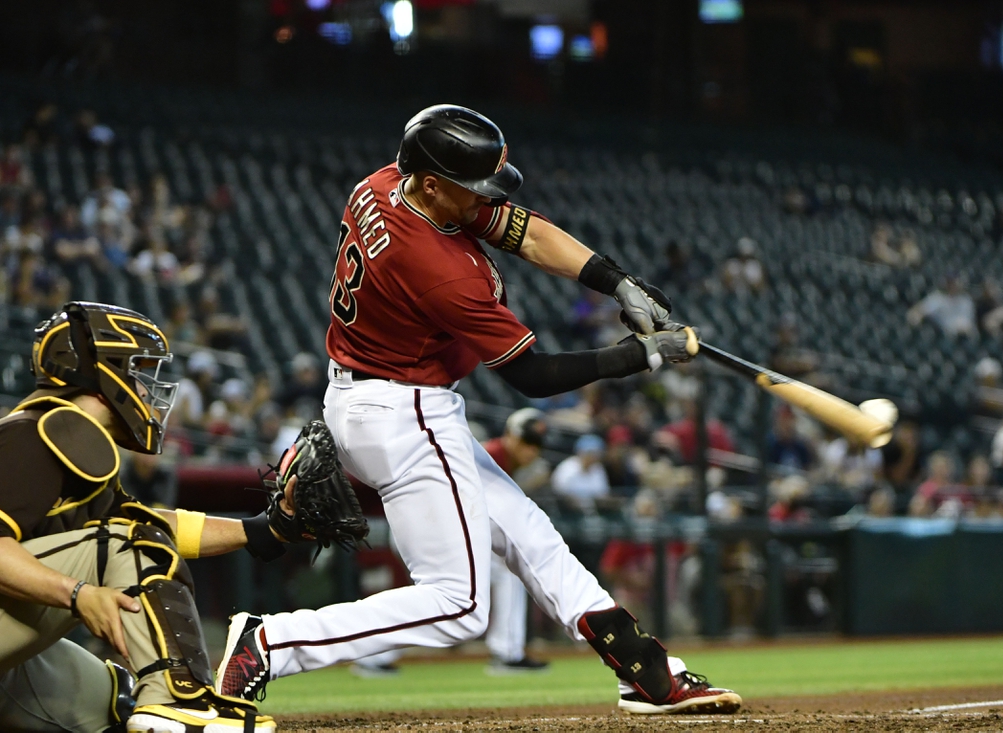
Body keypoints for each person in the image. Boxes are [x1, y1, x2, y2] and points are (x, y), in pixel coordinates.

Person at [215, 104, 740, 715]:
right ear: (434, 183)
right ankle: (271, 643)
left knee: (530, 536)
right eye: (472, 189)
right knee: (458, 604)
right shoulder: (436, 269)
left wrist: (615, 282)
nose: (483, 201)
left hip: (377, 397)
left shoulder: (387, 182)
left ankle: (646, 671)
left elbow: (527, 230)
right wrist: (639, 356)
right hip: (403, 412)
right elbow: (533, 375)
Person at [0, 302, 295, 732]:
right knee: (126, 541)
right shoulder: (31, 434)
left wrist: (267, 528)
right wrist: (79, 592)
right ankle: (180, 699)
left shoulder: (72, 441)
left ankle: (166, 707)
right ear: (105, 373)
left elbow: (156, 525)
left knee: (115, 708)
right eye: (136, 369)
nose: (146, 386)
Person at [352, 407, 552, 676]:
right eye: (526, 441)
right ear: (510, 436)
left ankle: (374, 656)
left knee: (441, 598)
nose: (531, 451)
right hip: (424, 527)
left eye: (536, 445)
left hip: (430, 528)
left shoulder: (503, 460)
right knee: (481, 583)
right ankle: (507, 653)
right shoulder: (490, 457)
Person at [550, 434, 612, 515]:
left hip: (595, 511)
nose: (594, 457)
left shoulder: (598, 469)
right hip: (567, 513)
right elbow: (560, 493)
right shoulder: (567, 467)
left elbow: (603, 493)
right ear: (581, 452)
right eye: (591, 453)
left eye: (597, 453)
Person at [907, 275, 977, 337]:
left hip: (966, 334)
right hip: (945, 335)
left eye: (955, 283)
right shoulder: (937, 298)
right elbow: (919, 310)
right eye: (951, 283)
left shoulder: (966, 300)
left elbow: (969, 321)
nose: (953, 286)